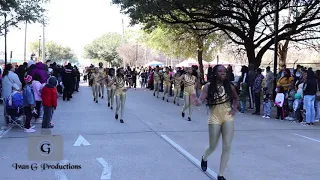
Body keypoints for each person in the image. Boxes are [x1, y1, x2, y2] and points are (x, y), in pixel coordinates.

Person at [191, 65, 239, 180]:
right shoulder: (208, 87)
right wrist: (195, 100)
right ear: (215, 73)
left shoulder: (230, 86)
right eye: (220, 71)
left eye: (224, 71)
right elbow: (200, 101)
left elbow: (236, 98)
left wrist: (234, 109)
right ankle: (205, 157)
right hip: (214, 118)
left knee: (227, 146)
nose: (223, 73)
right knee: (213, 146)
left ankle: (221, 174)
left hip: (227, 117)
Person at [1, 64, 22, 130]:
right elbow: (19, 84)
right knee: (13, 106)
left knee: (6, 108)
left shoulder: (4, 75)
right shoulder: (13, 75)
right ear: (11, 68)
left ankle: (7, 121)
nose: (14, 68)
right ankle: (14, 119)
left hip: (5, 94)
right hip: (12, 95)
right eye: (13, 67)